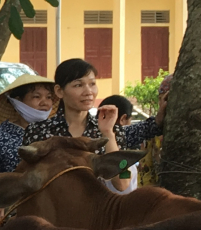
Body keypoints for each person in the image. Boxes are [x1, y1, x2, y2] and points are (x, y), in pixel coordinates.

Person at [23, 59, 128, 191]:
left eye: (92, 84)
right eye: (78, 85)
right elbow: (27, 180)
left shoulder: (113, 131)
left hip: (98, 209)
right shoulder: (38, 131)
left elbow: (123, 183)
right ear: (59, 91)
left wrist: (107, 133)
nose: (88, 91)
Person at [0, 75, 55, 174]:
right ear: (17, 101)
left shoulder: (56, 132)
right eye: (36, 96)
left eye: (49, 97)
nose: (45, 103)